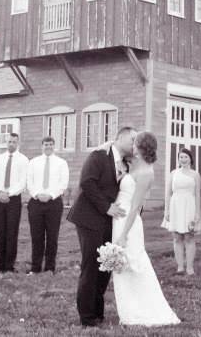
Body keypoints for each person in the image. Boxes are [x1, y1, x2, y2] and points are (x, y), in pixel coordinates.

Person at [111, 132, 180, 326]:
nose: (132, 146)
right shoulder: (136, 166)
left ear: (142, 147)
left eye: (135, 143)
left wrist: (124, 234)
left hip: (129, 223)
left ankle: (143, 309)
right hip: (119, 218)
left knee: (133, 263)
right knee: (122, 265)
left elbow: (136, 207)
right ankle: (129, 308)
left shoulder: (146, 173)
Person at [67, 127, 133, 327]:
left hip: (107, 222)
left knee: (105, 266)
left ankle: (98, 312)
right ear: (119, 138)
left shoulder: (125, 164)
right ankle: (86, 318)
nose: (134, 144)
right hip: (88, 218)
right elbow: (87, 183)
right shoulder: (98, 155)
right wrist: (106, 208)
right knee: (91, 266)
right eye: (132, 139)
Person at [26, 136, 69, 274]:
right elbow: (29, 182)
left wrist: (50, 195)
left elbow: (63, 183)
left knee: (52, 237)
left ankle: (50, 268)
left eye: (50, 144)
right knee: (37, 236)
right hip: (36, 202)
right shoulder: (33, 162)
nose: (48, 146)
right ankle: (35, 268)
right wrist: (38, 194)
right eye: (45, 144)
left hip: (54, 203)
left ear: (54, 146)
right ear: (42, 146)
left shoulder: (61, 163)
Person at [0, 132, 29, 275]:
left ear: (18, 143)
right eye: (9, 141)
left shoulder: (23, 160)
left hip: (13, 199)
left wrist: (9, 193)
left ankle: (9, 266)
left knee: (12, 232)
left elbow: (23, 181)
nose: (11, 144)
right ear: (6, 143)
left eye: (14, 142)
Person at [163, 148, 200, 275]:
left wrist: (197, 213)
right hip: (175, 206)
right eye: (181, 157)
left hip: (189, 205)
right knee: (177, 237)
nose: (183, 159)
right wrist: (166, 210)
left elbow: (198, 195)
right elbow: (168, 193)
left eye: (185, 157)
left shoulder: (195, 174)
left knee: (189, 237)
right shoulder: (173, 173)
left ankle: (190, 267)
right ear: (178, 159)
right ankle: (180, 266)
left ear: (190, 158)